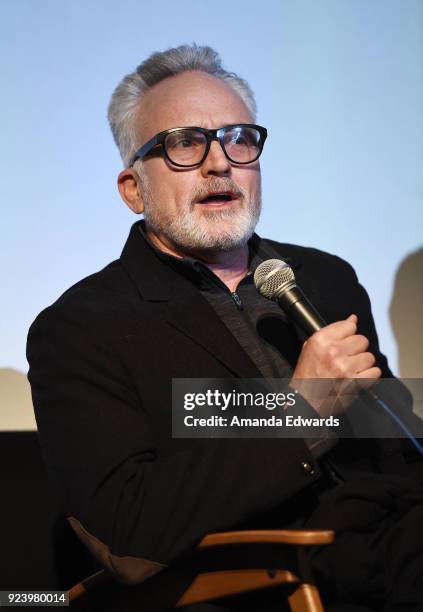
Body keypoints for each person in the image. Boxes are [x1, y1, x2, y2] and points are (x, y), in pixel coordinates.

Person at [27, 44, 423, 611]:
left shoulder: (324, 278)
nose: (220, 162)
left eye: (238, 138)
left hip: (393, 527)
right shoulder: (82, 328)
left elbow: (397, 438)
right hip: (282, 572)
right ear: (132, 189)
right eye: (184, 143)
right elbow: (129, 523)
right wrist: (298, 412)